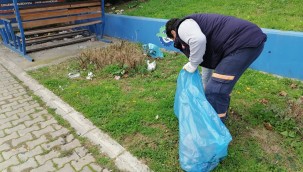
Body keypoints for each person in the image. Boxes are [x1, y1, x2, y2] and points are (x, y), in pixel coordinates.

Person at [166, 13, 267, 120]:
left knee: (215, 90)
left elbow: (198, 40)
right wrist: (205, 83)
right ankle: (218, 120)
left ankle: (214, 129)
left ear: (173, 32)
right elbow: (206, 61)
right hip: (245, 41)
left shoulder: (182, 27)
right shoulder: (195, 26)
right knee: (218, 87)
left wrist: (193, 63)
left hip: (242, 43)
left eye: (174, 39)